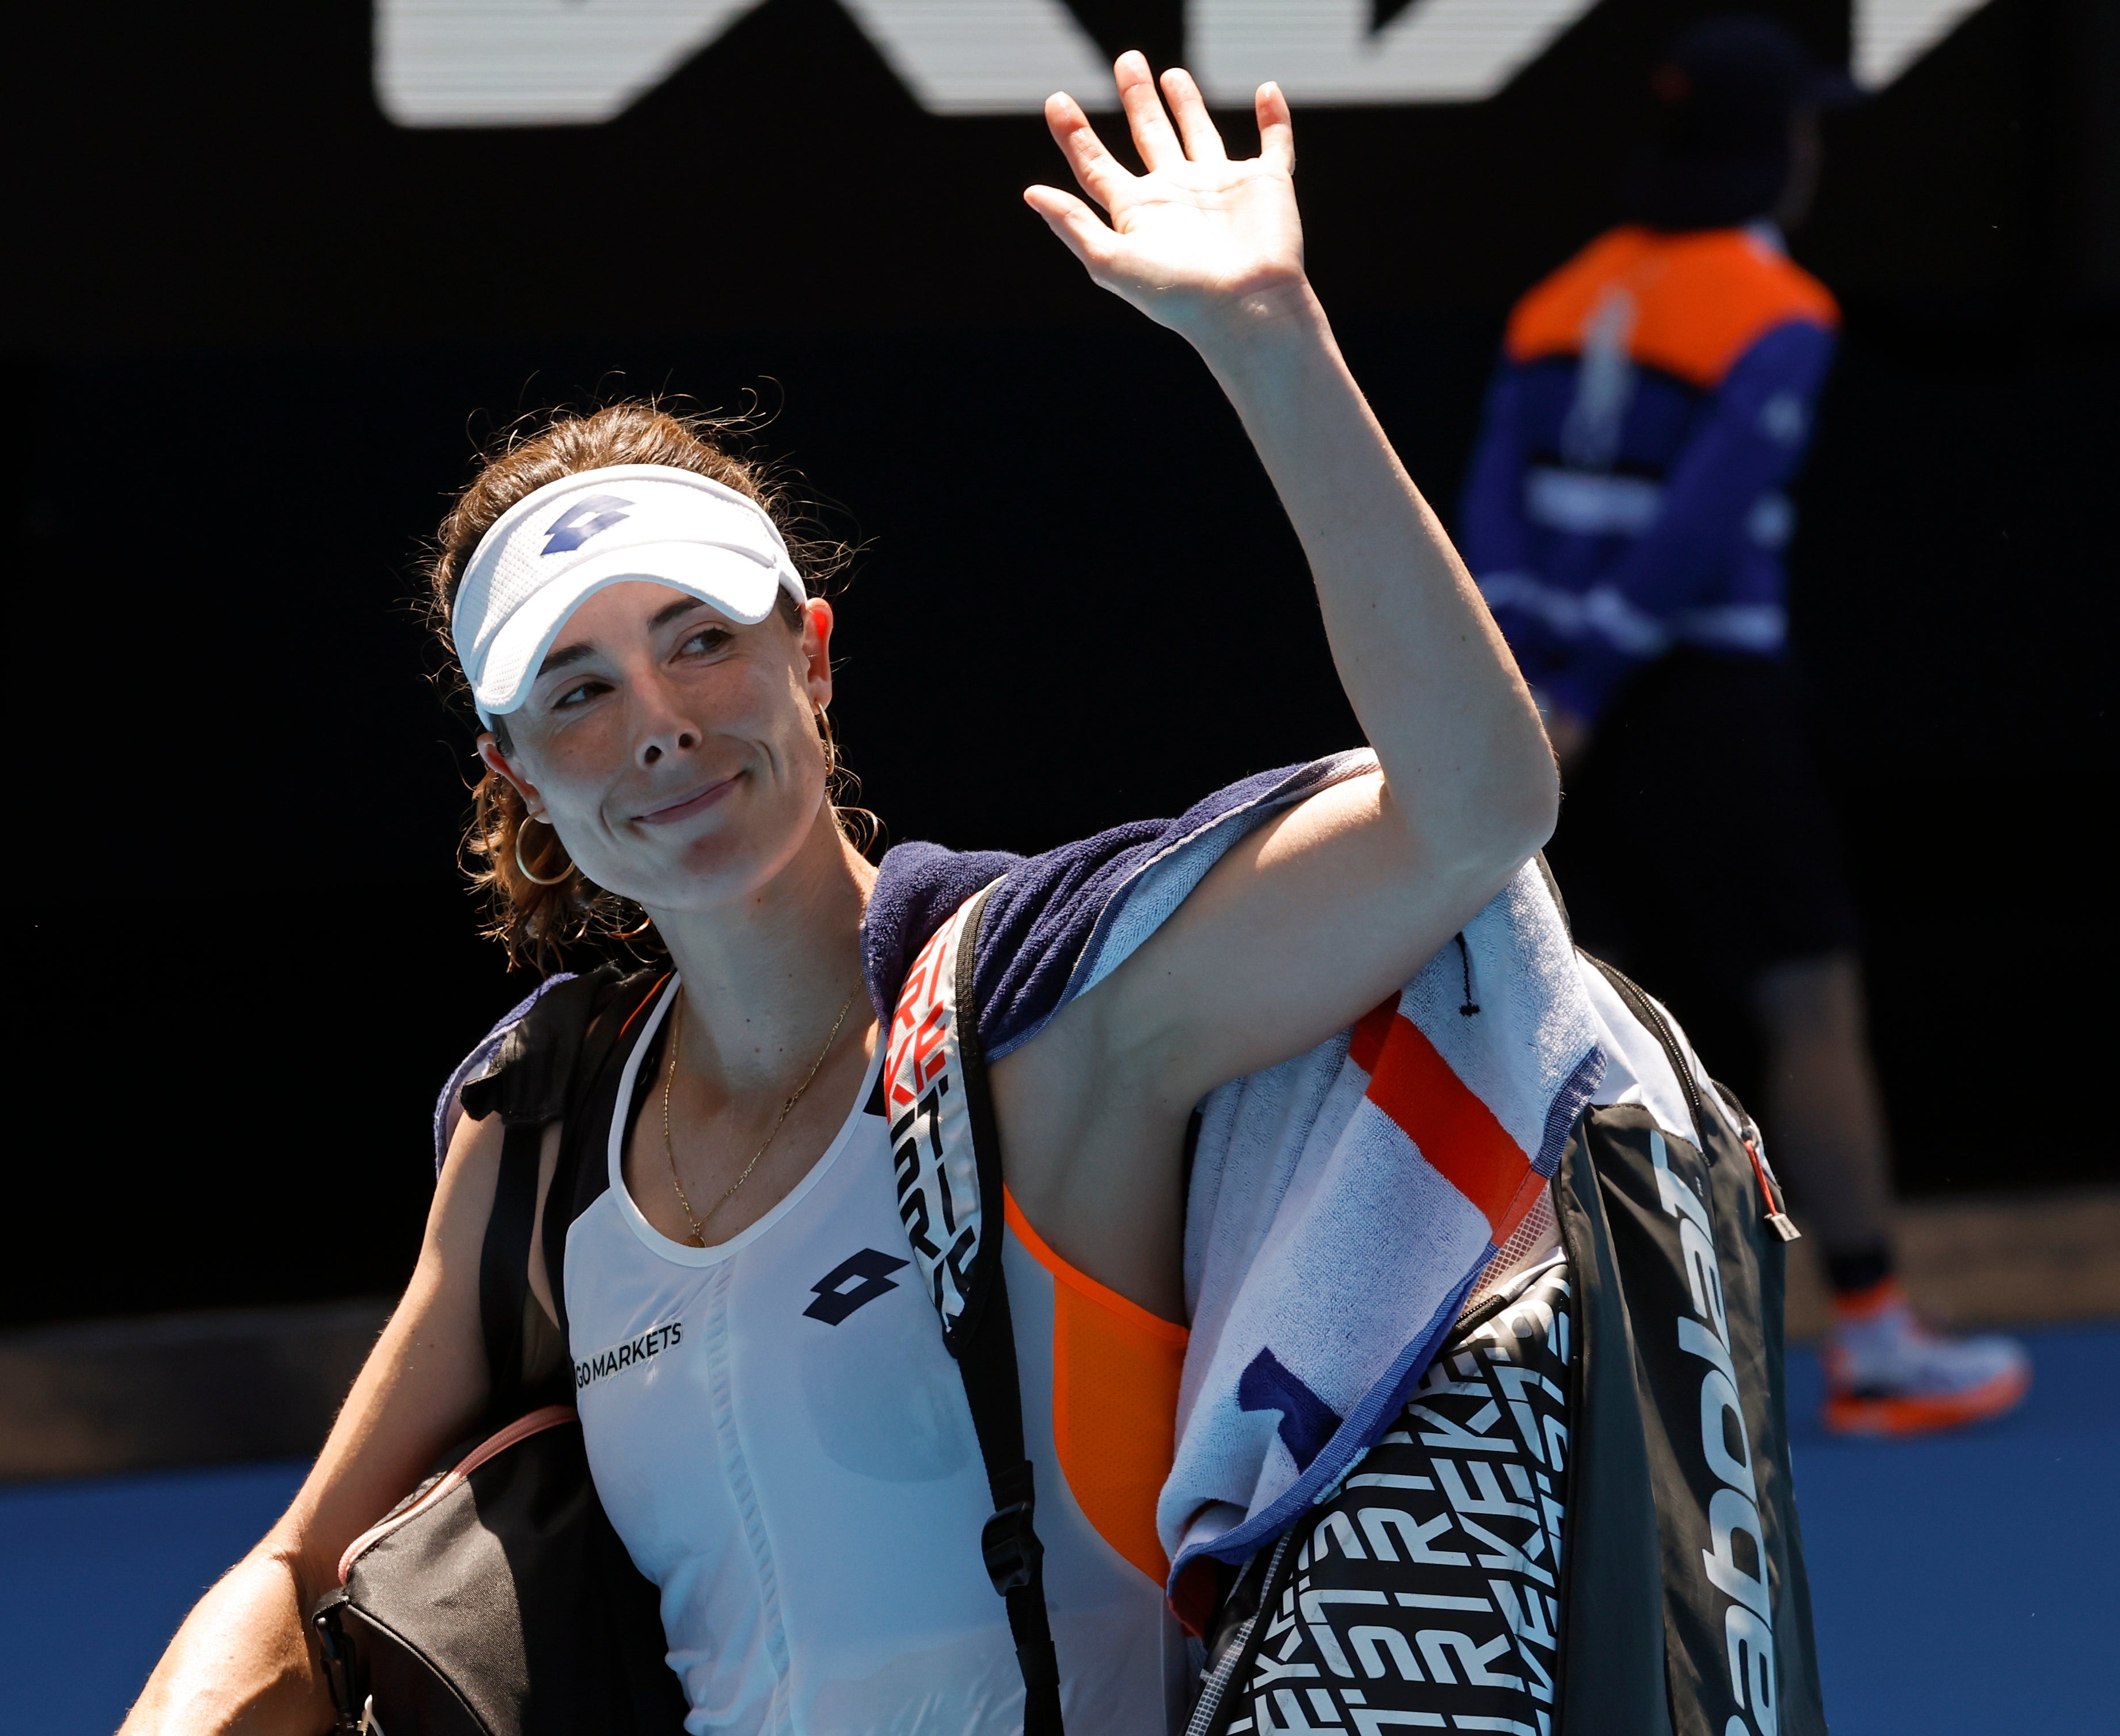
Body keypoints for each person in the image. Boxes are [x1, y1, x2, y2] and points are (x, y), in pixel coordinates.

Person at [123, 54, 1568, 1735]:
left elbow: (1474, 809)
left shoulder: (1041, 1021)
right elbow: (306, 1575)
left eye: (700, 642)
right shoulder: (536, 1130)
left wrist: (1270, 345)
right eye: (577, 690)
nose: (658, 725)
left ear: (809, 659)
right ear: (516, 772)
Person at [1458, 14, 2027, 1437]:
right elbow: (1696, 530)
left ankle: (1558, 1351)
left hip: (1554, 713)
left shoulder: (1555, 299)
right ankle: (1878, 1331)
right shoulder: (1782, 315)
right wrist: (1584, 690)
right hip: (1697, 703)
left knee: (1565, 1022)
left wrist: (1521, 683)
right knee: (1807, 999)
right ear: (1780, 150)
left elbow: (1487, 523)